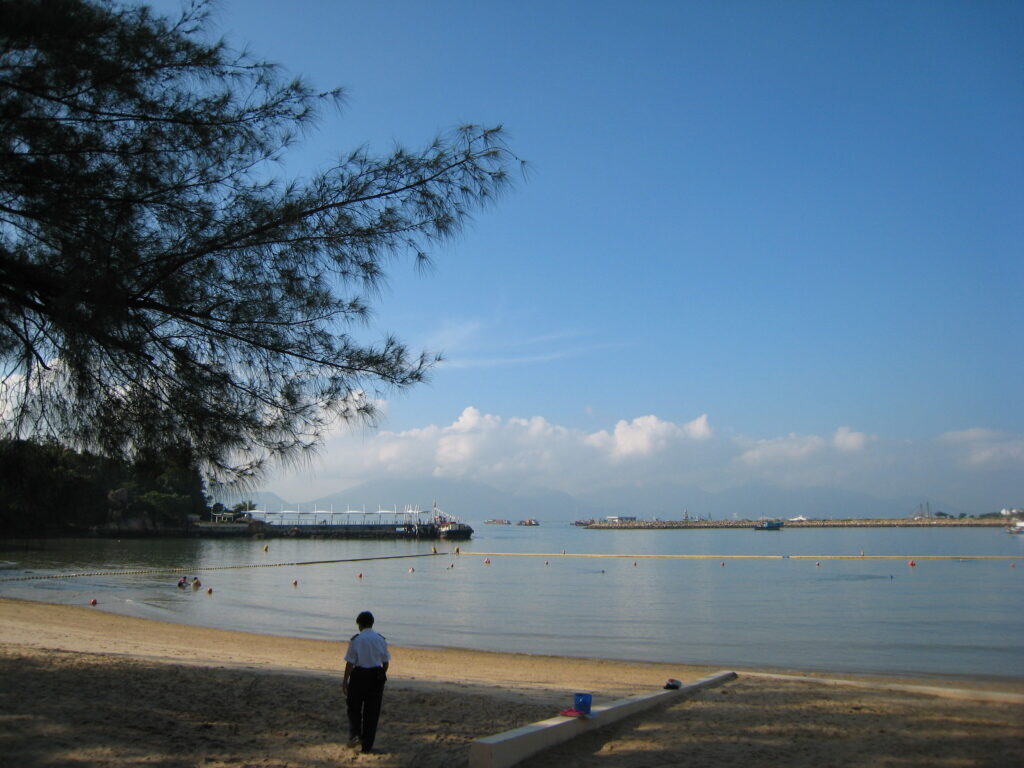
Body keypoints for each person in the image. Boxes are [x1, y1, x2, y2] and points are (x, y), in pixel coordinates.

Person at [342, 611, 390, 753]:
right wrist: (381, 674)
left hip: (359, 675)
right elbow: (385, 662)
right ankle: (367, 745)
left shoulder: (356, 640)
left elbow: (350, 663)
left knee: (354, 707)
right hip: (376, 675)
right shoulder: (380, 639)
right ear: (372, 624)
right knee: (372, 711)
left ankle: (355, 734)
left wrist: (345, 680)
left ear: (360, 625)